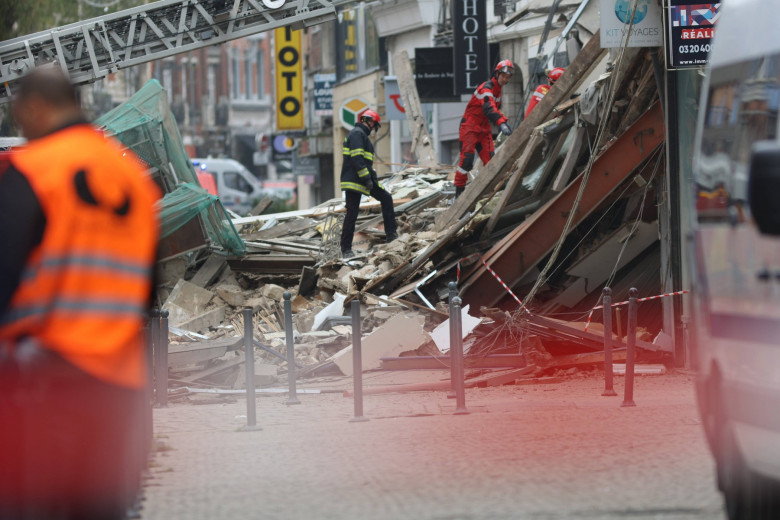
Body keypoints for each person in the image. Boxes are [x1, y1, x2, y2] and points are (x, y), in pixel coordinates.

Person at [0, 65, 160, 519]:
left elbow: (5, 273)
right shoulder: (132, 178)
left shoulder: (33, 170)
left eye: (17, 117)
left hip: (43, 376)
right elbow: (148, 289)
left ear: (34, 108)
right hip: (118, 385)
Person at [339, 108, 398, 257]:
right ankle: (345, 249)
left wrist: (371, 179)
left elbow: (364, 162)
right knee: (352, 214)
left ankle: (391, 235)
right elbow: (357, 159)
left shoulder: (359, 135)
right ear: (370, 122)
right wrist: (366, 178)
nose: (374, 129)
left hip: (362, 180)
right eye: (375, 126)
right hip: (356, 181)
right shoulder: (357, 134)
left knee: (386, 198)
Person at [455, 59, 515, 198]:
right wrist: (501, 123)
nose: (505, 80)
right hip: (469, 126)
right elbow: (489, 108)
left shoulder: (498, 90)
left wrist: (504, 121)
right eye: (503, 76)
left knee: (491, 162)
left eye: (507, 78)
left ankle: (491, 191)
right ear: (497, 73)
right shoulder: (486, 88)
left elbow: (494, 109)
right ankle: (458, 193)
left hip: (483, 129)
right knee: (467, 161)